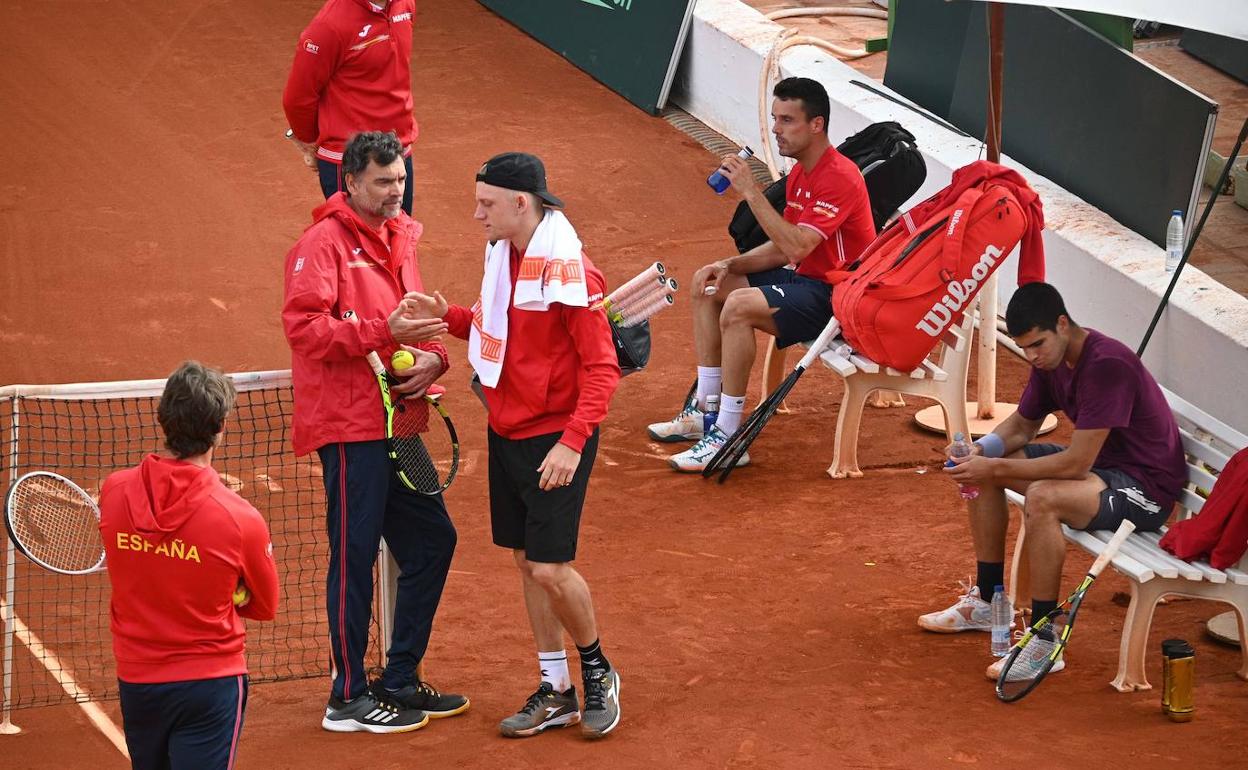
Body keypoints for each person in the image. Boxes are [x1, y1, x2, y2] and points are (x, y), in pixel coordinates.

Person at [405, 152, 623, 739]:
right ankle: (556, 689)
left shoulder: (572, 273)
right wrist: (446, 315)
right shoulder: (506, 257)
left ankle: (598, 670)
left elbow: (602, 368)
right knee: (528, 563)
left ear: (520, 204)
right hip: (507, 430)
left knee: (551, 568)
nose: (477, 214)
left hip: (557, 439)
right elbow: (495, 329)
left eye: (486, 203)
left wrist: (573, 443)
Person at [282, 130, 466, 733]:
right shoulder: (322, 245)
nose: (396, 192)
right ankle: (347, 696)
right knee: (354, 558)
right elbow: (306, 330)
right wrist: (380, 334)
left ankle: (399, 678)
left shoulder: (401, 238)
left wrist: (437, 355)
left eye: (402, 180)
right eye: (384, 182)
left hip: (399, 422)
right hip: (348, 428)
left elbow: (415, 321)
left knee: (434, 540)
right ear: (352, 182)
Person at [923, 282, 1187, 679]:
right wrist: (984, 451)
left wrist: (992, 469)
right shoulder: (1050, 361)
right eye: (1025, 347)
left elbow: (1076, 464)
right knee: (994, 462)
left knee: (1044, 497)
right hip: (1104, 471)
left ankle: (1045, 642)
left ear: (1063, 324)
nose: (1031, 356)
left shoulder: (1106, 365)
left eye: (1037, 344)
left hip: (1146, 487)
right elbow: (1022, 425)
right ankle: (988, 600)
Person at [646, 77, 876, 472]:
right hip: (806, 283)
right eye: (775, 118)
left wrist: (752, 191)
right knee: (709, 283)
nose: (775, 129)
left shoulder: (838, 177)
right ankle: (706, 409)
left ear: (816, 125)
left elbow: (796, 247)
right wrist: (729, 265)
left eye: (787, 120)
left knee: (737, 306)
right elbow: (781, 246)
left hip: (837, 299)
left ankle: (729, 436)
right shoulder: (803, 172)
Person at [98, 361, 280, 770]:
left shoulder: (114, 492)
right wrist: (232, 593)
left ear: (164, 419)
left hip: (138, 681)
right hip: (209, 686)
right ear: (220, 428)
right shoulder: (240, 518)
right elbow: (265, 606)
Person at [283, 0, 418, 214]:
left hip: (399, 150)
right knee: (356, 244)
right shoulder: (329, 26)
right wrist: (311, 142)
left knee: (399, 241)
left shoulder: (405, 5)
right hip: (350, 160)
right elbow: (298, 98)